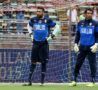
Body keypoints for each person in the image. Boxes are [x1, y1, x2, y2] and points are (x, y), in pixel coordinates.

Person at [25, 7, 61, 86]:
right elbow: (28, 25)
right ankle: (29, 81)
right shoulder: (33, 20)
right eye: (37, 11)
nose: (38, 13)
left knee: (43, 62)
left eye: (40, 11)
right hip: (35, 43)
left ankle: (42, 82)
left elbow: (57, 27)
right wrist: (31, 35)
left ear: (43, 13)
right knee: (33, 62)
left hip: (44, 44)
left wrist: (52, 36)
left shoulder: (48, 20)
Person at [69, 8, 98, 87]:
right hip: (82, 47)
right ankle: (74, 80)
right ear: (84, 14)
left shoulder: (95, 23)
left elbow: (97, 35)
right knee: (78, 63)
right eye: (88, 13)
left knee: (92, 64)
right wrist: (75, 44)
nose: (89, 14)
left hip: (91, 47)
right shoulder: (80, 23)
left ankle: (92, 81)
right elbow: (78, 34)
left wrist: (96, 44)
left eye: (91, 13)